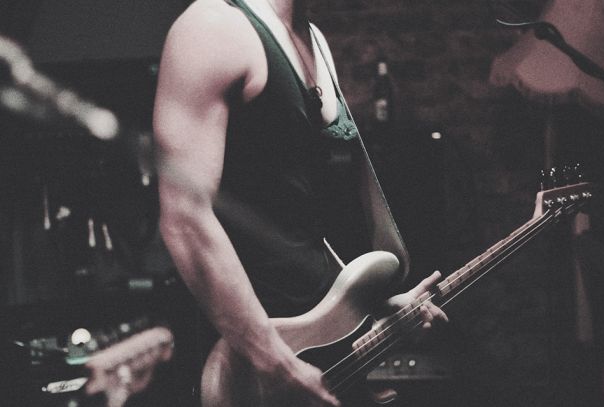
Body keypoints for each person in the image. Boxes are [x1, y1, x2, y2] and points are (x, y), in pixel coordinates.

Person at [153, 0, 448, 405]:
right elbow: (185, 219)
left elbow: (297, 219)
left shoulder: (314, 40)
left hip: (320, 355)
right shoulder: (212, 28)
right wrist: (272, 358)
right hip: (249, 379)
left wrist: (369, 311)